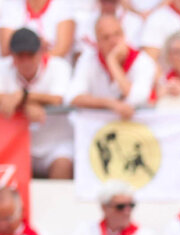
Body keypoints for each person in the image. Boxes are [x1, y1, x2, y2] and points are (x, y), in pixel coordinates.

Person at [0, 28, 73, 180]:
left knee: (62, 167)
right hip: (18, 145)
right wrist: (26, 105)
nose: (26, 61)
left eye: (31, 54)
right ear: (12, 55)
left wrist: (22, 96)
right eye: (20, 56)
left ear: (41, 52)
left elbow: (58, 99)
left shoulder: (59, 66)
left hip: (56, 144)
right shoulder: (4, 67)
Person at [67, 14, 157, 118]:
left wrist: (112, 63)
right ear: (98, 42)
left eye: (117, 34)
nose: (113, 41)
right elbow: (72, 97)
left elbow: (137, 99)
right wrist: (109, 103)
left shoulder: (143, 61)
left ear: (124, 35)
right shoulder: (88, 59)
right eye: (106, 37)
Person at [73, 0, 144, 62]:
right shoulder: (84, 22)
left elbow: (133, 55)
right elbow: (79, 56)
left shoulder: (134, 21)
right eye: (106, 37)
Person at [1, 0, 74, 58]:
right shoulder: (11, 5)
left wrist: (24, 47)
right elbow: (6, 49)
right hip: (17, 68)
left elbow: (62, 50)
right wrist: (36, 44)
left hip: (51, 67)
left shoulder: (63, 5)